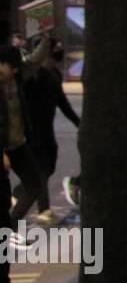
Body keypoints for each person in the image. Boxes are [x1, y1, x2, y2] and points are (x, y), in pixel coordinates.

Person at [1, 34, 52, 238]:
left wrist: (45, 39)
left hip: (17, 145)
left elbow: (34, 61)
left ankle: (9, 226)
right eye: (9, 67)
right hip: (3, 149)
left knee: (34, 184)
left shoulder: (17, 75)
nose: (13, 71)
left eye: (15, 68)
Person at [22, 38, 79, 219]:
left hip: (47, 127)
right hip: (31, 128)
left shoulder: (53, 74)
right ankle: (43, 209)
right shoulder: (30, 76)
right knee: (42, 168)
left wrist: (78, 122)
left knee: (49, 165)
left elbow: (61, 101)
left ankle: (21, 191)